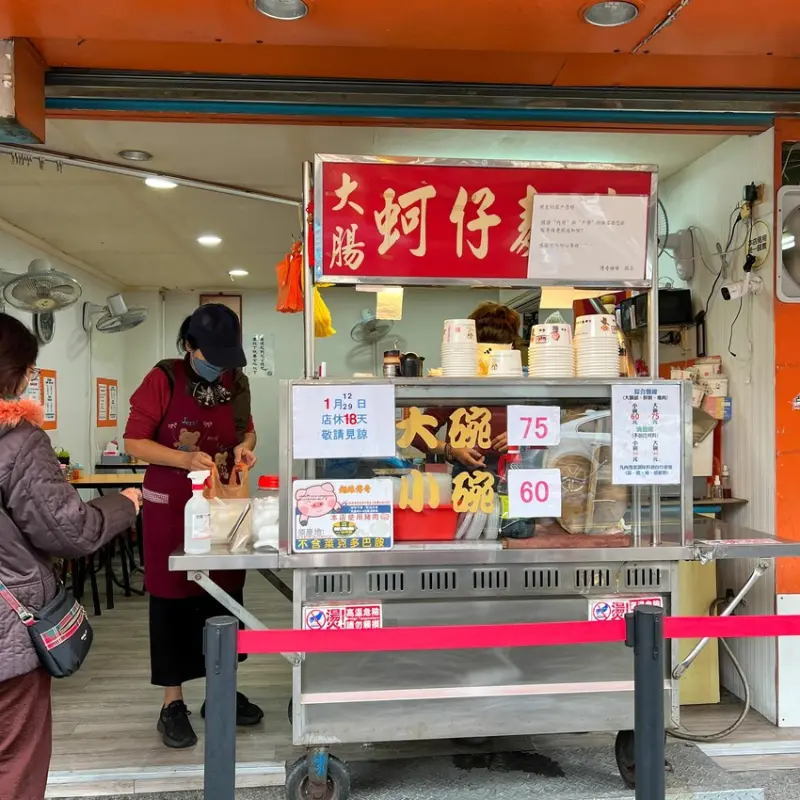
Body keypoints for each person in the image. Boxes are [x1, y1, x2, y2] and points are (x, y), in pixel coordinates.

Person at [0, 313, 141, 800]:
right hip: (6, 638)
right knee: (14, 762)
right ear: (16, 374)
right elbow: (72, 532)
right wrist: (127, 502)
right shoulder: (18, 443)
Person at [124, 303, 261, 749]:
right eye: (211, 357)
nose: (218, 367)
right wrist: (183, 458)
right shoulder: (163, 378)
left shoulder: (234, 381)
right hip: (171, 503)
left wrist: (243, 449)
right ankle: (172, 702)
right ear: (189, 346)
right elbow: (133, 442)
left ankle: (220, 691)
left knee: (225, 591)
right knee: (173, 596)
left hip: (221, 498)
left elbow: (249, 432)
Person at [414, 302, 522, 475]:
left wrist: (525, 438)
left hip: (517, 474)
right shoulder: (458, 387)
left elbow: (558, 429)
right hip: (468, 478)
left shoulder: (526, 387)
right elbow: (417, 434)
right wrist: (453, 450)